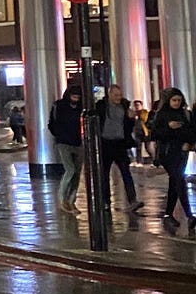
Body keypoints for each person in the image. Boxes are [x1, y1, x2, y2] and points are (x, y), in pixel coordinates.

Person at [148, 88, 196, 232]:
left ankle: (168, 213)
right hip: (167, 153)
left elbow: (192, 130)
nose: (176, 103)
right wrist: (170, 128)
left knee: (174, 182)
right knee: (178, 179)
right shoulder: (161, 115)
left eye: (178, 100)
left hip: (182, 152)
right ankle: (189, 215)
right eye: (174, 100)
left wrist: (189, 142)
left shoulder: (186, 114)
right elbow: (155, 134)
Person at [92, 82, 139, 216]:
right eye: (116, 95)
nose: (118, 97)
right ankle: (106, 201)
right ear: (110, 95)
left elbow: (128, 127)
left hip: (119, 144)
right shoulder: (102, 106)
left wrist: (131, 119)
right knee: (104, 174)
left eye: (120, 95)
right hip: (105, 143)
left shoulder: (124, 107)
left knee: (126, 171)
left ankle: (132, 199)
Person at [48, 82, 85, 214]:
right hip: (63, 142)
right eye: (74, 97)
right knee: (70, 170)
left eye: (78, 97)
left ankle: (71, 201)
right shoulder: (59, 106)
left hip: (77, 142)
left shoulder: (81, 107)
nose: (76, 99)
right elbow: (52, 124)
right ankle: (63, 199)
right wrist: (59, 135)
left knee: (76, 173)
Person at [130, 99, 151, 165]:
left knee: (148, 147)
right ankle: (138, 161)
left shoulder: (144, 112)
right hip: (137, 132)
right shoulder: (133, 113)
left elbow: (144, 119)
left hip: (145, 132)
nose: (137, 107)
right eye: (135, 105)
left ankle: (154, 160)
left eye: (138, 105)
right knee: (138, 148)